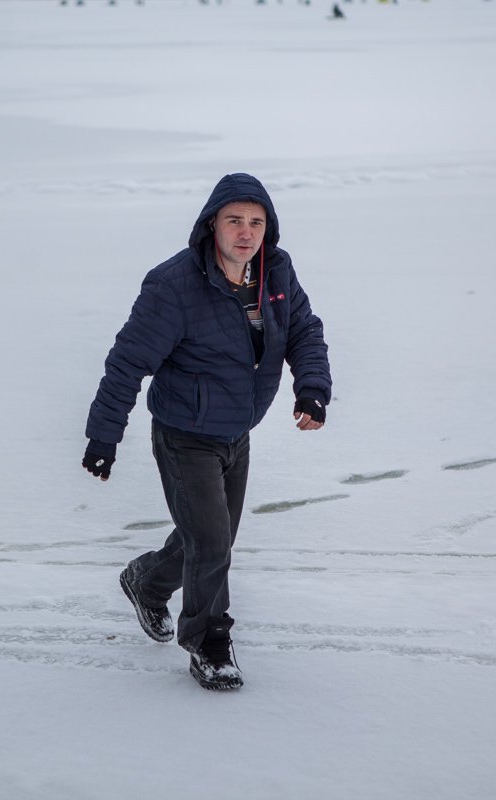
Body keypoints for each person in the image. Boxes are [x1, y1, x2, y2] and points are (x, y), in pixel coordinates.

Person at [82, 173, 332, 691]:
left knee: (209, 539)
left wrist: (311, 388)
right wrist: (104, 437)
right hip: (183, 433)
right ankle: (209, 644)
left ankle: (145, 583)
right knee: (213, 542)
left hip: (237, 429)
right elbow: (127, 363)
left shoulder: (275, 271)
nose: (246, 232)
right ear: (211, 224)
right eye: (234, 220)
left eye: (256, 222)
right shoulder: (174, 285)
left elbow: (304, 329)